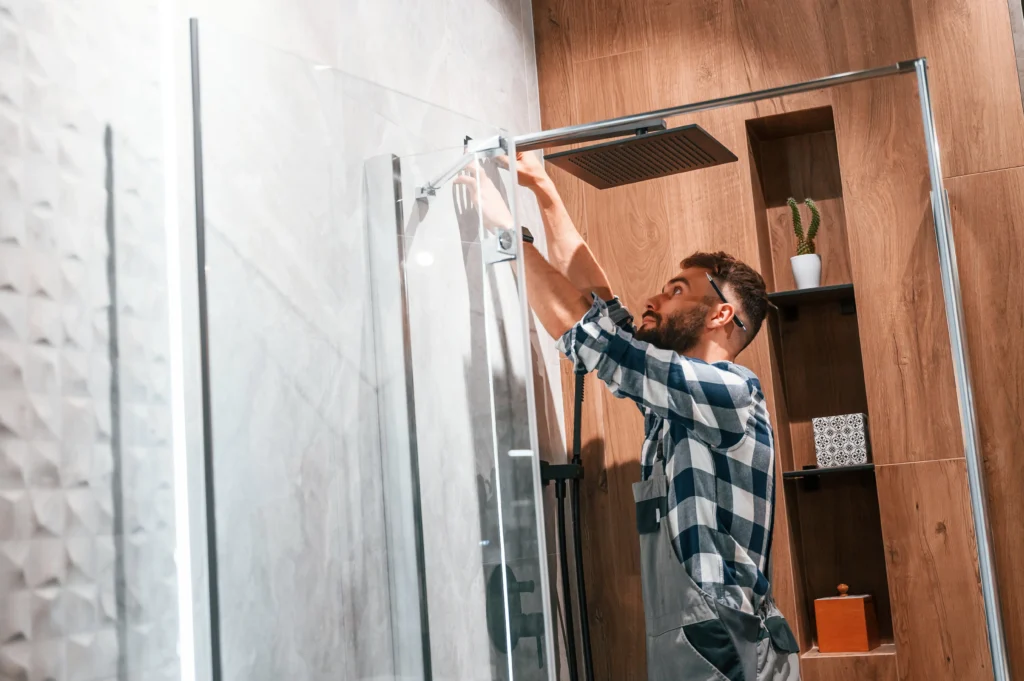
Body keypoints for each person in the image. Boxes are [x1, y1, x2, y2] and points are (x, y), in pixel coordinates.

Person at [456, 151, 801, 681]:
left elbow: (593, 339)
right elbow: (603, 313)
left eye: (676, 290)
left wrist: (509, 235)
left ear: (721, 314)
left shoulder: (731, 394)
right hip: (701, 633)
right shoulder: (677, 403)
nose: (655, 297)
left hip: (727, 642)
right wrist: (542, 188)